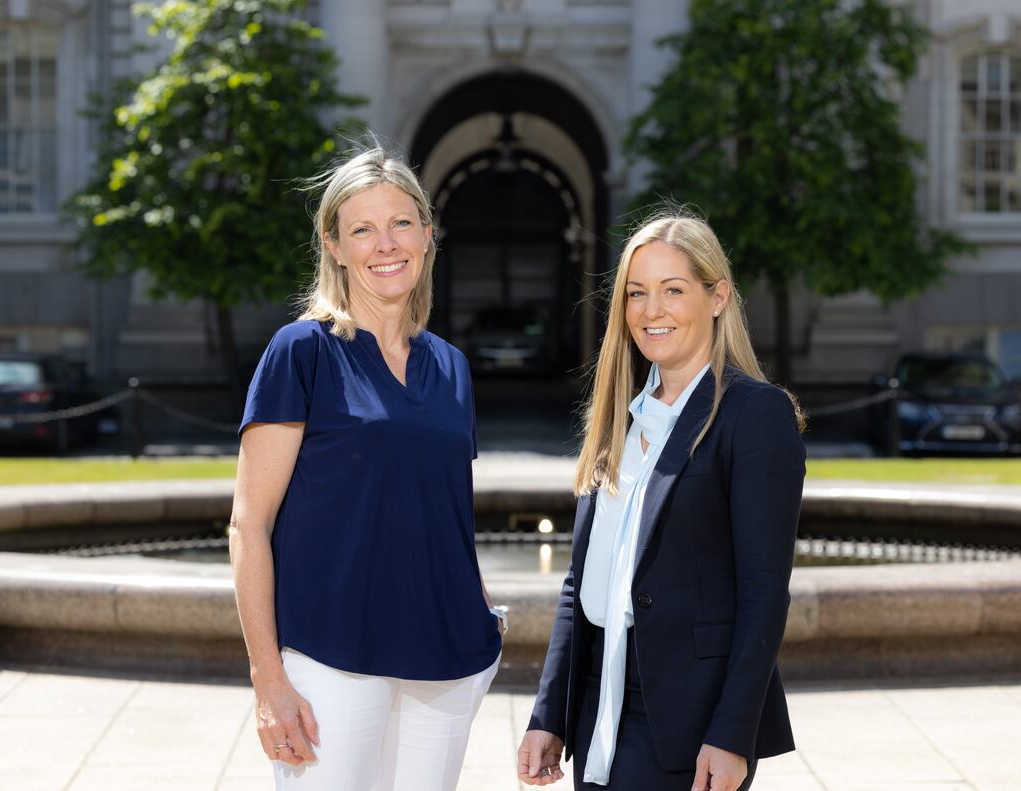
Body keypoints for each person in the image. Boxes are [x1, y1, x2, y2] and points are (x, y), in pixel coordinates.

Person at [228, 145, 505, 791]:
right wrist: (269, 679)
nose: (387, 243)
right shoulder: (300, 351)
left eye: (402, 223)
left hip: (447, 658)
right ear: (335, 245)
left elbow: (442, 513)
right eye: (362, 228)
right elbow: (249, 523)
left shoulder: (451, 367)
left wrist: (485, 615)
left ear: (428, 235)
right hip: (329, 658)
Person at [517, 212, 806, 790]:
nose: (652, 311)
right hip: (598, 705)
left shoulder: (754, 415)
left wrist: (732, 733)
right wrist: (548, 714)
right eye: (637, 293)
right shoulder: (619, 418)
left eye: (673, 290)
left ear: (717, 295)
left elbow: (763, 592)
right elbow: (580, 582)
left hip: (688, 718)